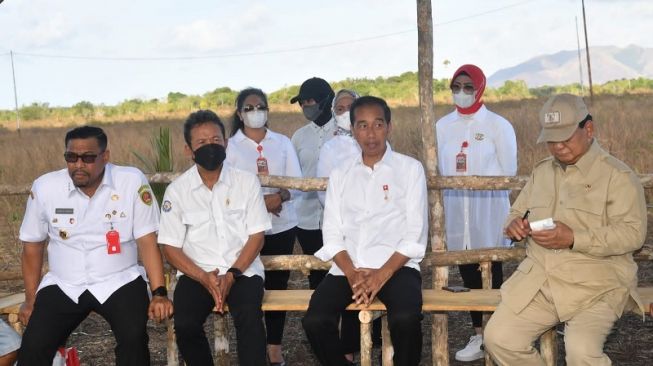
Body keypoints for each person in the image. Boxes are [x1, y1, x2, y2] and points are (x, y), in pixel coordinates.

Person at [484, 94, 647, 365]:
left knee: (581, 351)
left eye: (566, 138)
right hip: (541, 281)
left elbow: (633, 233)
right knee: (499, 338)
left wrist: (573, 238)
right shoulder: (542, 172)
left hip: (597, 285)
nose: (558, 147)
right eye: (551, 140)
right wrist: (513, 225)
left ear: (589, 129)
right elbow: (516, 212)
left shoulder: (618, 177)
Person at [17, 126, 173, 366]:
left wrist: (159, 293)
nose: (78, 164)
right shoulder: (46, 187)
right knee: (33, 347)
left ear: (105, 156)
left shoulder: (130, 181)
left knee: (134, 340)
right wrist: (30, 300)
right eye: (71, 157)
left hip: (119, 280)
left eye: (88, 158)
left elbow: (147, 241)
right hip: (64, 282)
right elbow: (32, 246)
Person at [303, 96, 428, 366]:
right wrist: (352, 275)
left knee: (405, 319)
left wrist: (381, 275)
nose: (371, 134)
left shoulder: (410, 169)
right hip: (349, 268)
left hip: (396, 266)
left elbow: (415, 233)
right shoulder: (341, 173)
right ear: (352, 129)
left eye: (378, 124)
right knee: (315, 321)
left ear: (389, 127)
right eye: (362, 126)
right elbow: (332, 233)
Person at [159, 110, 270, 366]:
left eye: (216, 140)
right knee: (185, 324)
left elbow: (257, 236)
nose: (211, 146)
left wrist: (231, 274)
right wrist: (203, 277)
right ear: (189, 149)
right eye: (202, 142)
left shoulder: (246, 182)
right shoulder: (177, 192)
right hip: (196, 273)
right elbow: (170, 247)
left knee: (250, 319)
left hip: (242, 271)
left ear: (226, 143)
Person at [435, 64, 517, 362]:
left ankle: (498, 333)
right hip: (458, 207)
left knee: (492, 267)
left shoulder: (497, 125)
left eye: (468, 87)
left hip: (488, 208)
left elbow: (509, 171)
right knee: (467, 268)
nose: (462, 92)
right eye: (456, 86)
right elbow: (439, 169)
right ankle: (479, 332)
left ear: (480, 88)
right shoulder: (442, 126)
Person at [226, 88, 302, 366]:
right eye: (249, 108)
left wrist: (279, 196)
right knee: (247, 288)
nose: (255, 112)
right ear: (239, 114)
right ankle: (252, 349)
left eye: (260, 106)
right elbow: (228, 190)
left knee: (277, 287)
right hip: (244, 232)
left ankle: (274, 347)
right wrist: (261, 202)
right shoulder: (229, 148)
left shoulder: (281, 143)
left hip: (281, 226)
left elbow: (296, 183)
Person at [290, 77, 336, 289]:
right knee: (316, 274)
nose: (305, 107)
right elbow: (293, 175)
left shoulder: (345, 131)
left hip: (338, 217)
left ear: (326, 101)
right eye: (302, 103)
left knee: (340, 271)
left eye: (310, 101)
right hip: (306, 219)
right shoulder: (299, 137)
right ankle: (322, 320)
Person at [316, 88, 361, 206]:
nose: (346, 113)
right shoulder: (329, 148)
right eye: (340, 109)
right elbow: (322, 193)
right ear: (334, 114)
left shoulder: (376, 142)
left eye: (351, 107)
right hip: (344, 219)